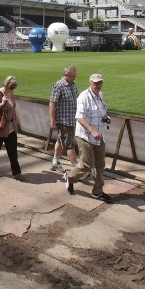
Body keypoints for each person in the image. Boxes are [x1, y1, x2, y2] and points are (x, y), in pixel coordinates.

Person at [63, 74, 112, 202]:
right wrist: (92, 130)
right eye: (95, 83)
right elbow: (79, 117)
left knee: (100, 164)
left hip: (99, 136)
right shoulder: (84, 96)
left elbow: (102, 111)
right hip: (85, 136)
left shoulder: (100, 95)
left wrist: (106, 117)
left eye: (99, 83)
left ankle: (97, 191)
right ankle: (70, 177)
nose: (97, 85)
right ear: (90, 83)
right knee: (87, 164)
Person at [0, 76, 23, 179]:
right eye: (10, 88)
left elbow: (12, 108)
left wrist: (16, 120)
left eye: (12, 89)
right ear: (6, 85)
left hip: (10, 127)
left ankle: (16, 172)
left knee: (13, 151)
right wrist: (1, 104)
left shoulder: (10, 93)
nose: (11, 90)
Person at [49, 66, 79, 173]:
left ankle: (55, 162)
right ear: (66, 75)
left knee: (60, 141)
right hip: (64, 121)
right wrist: (53, 121)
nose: (74, 78)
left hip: (72, 120)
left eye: (75, 76)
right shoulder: (58, 85)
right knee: (69, 145)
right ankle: (77, 169)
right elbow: (52, 103)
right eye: (72, 76)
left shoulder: (74, 86)